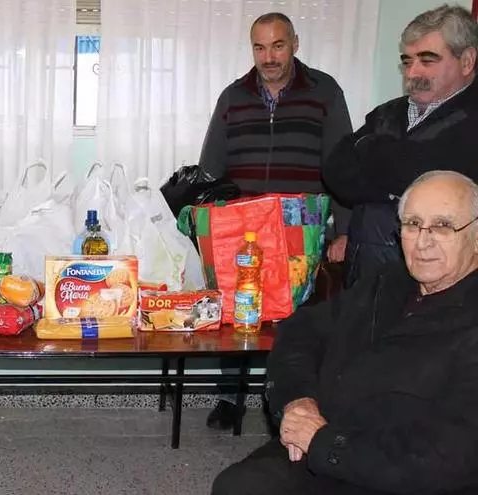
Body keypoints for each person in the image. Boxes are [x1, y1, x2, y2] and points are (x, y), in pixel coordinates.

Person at [212, 170, 478, 495]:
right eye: (412, 224)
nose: (423, 242)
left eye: (443, 226)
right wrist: (298, 401)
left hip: (399, 473)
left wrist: (325, 443)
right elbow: (300, 332)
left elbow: (451, 458)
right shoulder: (385, 283)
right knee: (239, 486)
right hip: (320, 445)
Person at [198, 12, 353, 430]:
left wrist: (345, 231)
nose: (268, 57)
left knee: (295, 323)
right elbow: (211, 166)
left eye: (278, 46)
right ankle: (229, 397)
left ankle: (290, 404)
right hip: (243, 228)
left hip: (299, 229)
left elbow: (342, 167)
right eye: (260, 47)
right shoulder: (233, 97)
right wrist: (206, 225)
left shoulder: (324, 92)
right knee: (238, 313)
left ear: (294, 44)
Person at [323, 4, 478, 288]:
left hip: (437, 288)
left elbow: (436, 177)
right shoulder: (388, 112)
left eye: (427, 60)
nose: (412, 73)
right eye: (407, 62)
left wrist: (373, 153)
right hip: (365, 275)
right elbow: (335, 169)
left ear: (467, 62)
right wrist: (395, 187)